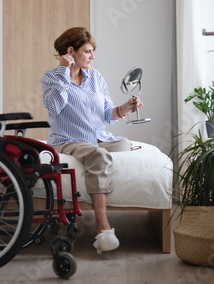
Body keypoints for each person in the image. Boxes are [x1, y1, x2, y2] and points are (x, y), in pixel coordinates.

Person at [40, 27, 143, 254]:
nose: (92, 56)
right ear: (71, 51)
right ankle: (103, 227)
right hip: (68, 139)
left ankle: (98, 162)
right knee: (98, 155)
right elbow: (54, 106)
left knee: (124, 143)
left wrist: (126, 107)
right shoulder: (51, 78)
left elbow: (108, 114)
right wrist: (63, 72)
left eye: (92, 51)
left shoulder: (96, 77)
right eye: (88, 51)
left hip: (97, 137)